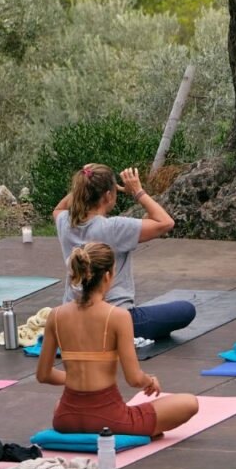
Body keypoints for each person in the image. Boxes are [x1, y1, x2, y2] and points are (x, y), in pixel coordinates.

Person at [36, 243, 200, 438]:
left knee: (60, 406)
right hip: (109, 419)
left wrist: (76, 378)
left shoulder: (56, 315)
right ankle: (139, 429)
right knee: (190, 403)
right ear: (107, 276)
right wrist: (150, 380)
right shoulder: (118, 316)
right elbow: (134, 378)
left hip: (66, 419)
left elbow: (43, 375)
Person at [53, 163, 192, 342]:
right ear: (108, 196)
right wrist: (137, 191)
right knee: (186, 310)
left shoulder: (65, 222)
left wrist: (84, 183)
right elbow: (166, 222)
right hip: (114, 321)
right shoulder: (114, 227)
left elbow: (58, 209)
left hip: (73, 319)